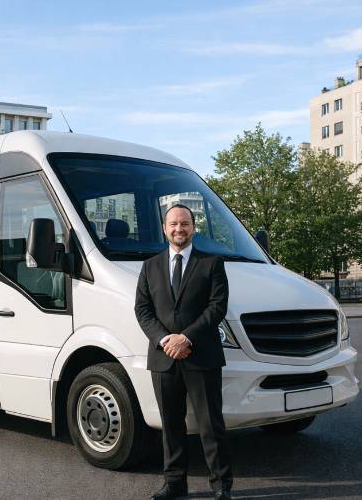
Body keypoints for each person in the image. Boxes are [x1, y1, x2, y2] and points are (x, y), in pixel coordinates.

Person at [135, 204, 233, 500]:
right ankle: (175, 484)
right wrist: (166, 340)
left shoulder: (212, 263)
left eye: (185, 223)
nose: (180, 228)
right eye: (174, 224)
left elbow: (217, 307)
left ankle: (221, 487)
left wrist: (186, 337)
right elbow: (142, 310)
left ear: (194, 228)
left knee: (210, 425)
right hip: (164, 359)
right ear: (165, 229)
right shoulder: (150, 266)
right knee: (171, 426)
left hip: (201, 356)